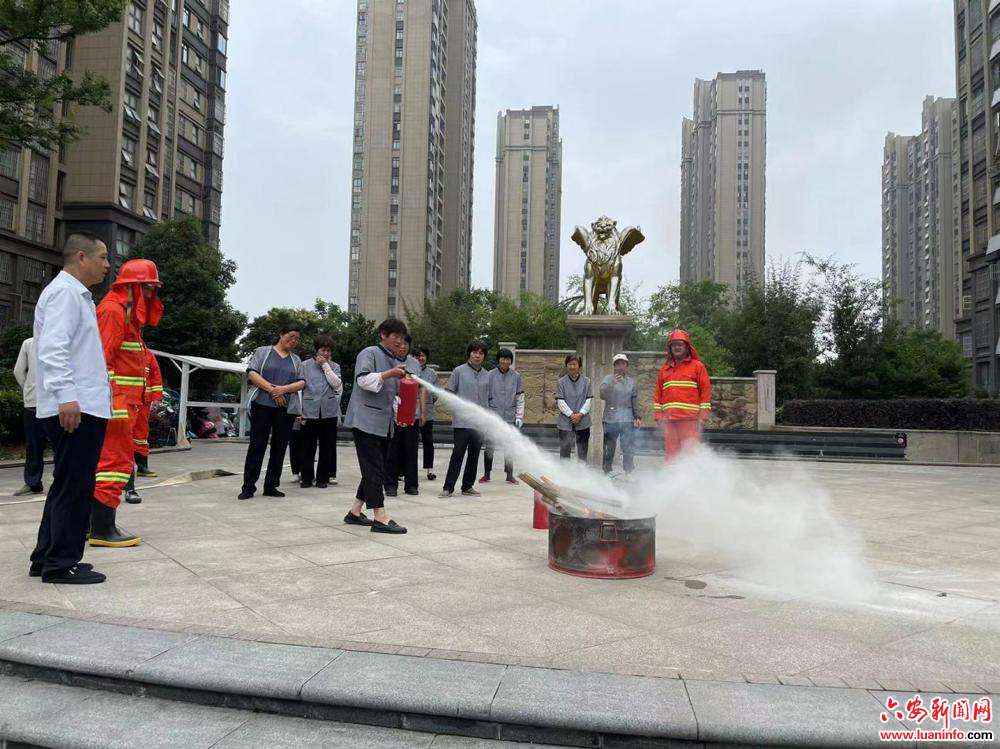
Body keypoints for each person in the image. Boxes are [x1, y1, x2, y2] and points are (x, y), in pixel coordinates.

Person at [28, 233, 111, 584]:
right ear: (82, 256)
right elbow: (52, 349)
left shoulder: (77, 296)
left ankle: (45, 557)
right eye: (103, 257)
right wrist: (67, 396)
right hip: (75, 407)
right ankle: (61, 564)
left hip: (78, 404)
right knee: (75, 486)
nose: (108, 265)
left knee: (66, 483)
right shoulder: (65, 293)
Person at [91, 258, 163, 547]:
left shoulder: (125, 316)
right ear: (134, 286)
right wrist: (113, 401)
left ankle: (96, 525)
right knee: (115, 463)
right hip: (117, 403)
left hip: (125, 403)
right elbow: (101, 361)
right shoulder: (113, 311)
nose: (150, 296)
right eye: (148, 288)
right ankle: (102, 529)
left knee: (114, 462)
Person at [342, 317, 408, 534]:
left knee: (373, 468)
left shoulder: (393, 359)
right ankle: (380, 516)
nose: (399, 341)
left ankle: (354, 512)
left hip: (383, 423)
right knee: (374, 469)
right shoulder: (369, 353)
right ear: (383, 335)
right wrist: (390, 374)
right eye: (395, 337)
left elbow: (392, 395)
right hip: (365, 421)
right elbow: (363, 380)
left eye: (401, 338)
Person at [239, 324, 306, 499]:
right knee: (257, 445)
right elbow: (252, 374)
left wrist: (283, 390)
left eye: (296, 339)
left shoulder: (296, 360)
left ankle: (271, 485)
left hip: (285, 409)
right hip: (262, 404)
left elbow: (301, 383)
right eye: (290, 336)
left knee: (279, 446)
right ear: (281, 333)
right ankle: (248, 486)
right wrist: (272, 390)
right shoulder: (263, 352)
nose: (293, 341)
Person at [439, 340, 490, 498]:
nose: (477, 355)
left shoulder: (487, 375)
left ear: (484, 356)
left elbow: (490, 399)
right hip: (462, 422)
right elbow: (449, 394)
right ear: (469, 353)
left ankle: (467, 486)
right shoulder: (458, 371)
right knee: (458, 453)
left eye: (481, 353)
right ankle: (448, 487)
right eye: (475, 352)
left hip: (479, 424)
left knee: (474, 455)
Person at [654, 329, 711, 459]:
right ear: (670, 348)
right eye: (674, 345)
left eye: (680, 344)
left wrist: (703, 418)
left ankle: (691, 479)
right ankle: (672, 478)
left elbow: (705, 392)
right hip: (669, 420)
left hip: (690, 420)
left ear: (687, 347)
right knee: (671, 454)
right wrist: (659, 416)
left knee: (691, 454)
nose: (677, 347)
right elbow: (658, 395)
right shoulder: (664, 369)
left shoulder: (698, 367)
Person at [298, 334, 342, 489]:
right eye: (323, 350)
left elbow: (336, 385)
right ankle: (306, 478)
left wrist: (325, 366)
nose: (326, 353)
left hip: (329, 412)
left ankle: (323, 478)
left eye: (329, 350)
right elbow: (299, 389)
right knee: (307, 447)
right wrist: (298, 410)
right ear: (317, 350)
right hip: (309, 411)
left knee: (327, 447)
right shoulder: (304, 366)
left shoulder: (335, 366)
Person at [384, 334, 421, 496]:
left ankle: (411, 485)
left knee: (411, 450)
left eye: (407, 343)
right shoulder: (388, 361)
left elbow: (418, 386)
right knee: (392, 450)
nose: (403, 346)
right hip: (392, 413)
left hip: (411, 413)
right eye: (401, 343)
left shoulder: (414, 363)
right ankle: (390, 484)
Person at [480, 347, 524, 484]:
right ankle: (487, 474)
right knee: (490, 447)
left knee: (509, 447)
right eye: (503, 358)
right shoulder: (489, 375)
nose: (505, 361)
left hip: (510, 416)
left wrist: (519, 416)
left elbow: (520, 397)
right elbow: (484, 396)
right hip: (493, 416)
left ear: (511, 361)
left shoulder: (516, 376)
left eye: (508, 359)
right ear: (498, 359)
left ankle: (509, 475)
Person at [12, 337, 47, 496]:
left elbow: (19, 372)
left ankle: (33, 482)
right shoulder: (28, 343)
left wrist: (28, 388)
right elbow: (18, 372)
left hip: (34, 400)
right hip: (55, 401)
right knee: (59, 444)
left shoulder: (28, 343)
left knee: (34, 445)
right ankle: (59, 481)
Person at [600, 353, 641, 475]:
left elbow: (634, 399)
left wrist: (637, 417)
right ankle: (607, 472)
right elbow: (602, 395)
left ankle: (629, 472)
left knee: (628, 448)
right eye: (617, 364)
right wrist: (612, 383)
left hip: (627, 419)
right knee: (609, 448)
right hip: (610, 419)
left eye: (623, 363)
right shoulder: (608, 379)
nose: (620, 366)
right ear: (614, 366)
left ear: (627, 366)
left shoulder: (631, 382)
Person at [132, 346, 163, 479]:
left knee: (141, 434)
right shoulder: (122, 349)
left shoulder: (148, 354)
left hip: (144, 400)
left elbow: (156, 376)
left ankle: (141, 465)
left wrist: (156, 397)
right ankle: (120, 468)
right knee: (121, 433)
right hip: (125, 398)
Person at [556, 355, 593, 461]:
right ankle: (565, 473)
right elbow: (560, 401)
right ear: (566, 365)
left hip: (583, 420)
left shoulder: (587, 381)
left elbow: (589, 400)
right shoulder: (561, 382)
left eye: (574, 364)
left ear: (579, 366)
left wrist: (580, 414)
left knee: (583, 449)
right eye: (570, 364)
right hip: (565, 421)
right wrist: (571, 415)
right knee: (564, 449)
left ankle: (581, 474)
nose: (572, 367)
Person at [414, 346, 437, 481]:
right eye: (419, 356)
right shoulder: (409, 371)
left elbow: (436, 393)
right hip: (411, 412)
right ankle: (404, 470)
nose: (421, 358)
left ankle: (430, 470)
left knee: (428, 441)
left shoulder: (432, 373)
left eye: (423, 355)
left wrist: (427, 402)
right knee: (410, 443)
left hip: (427, 412)